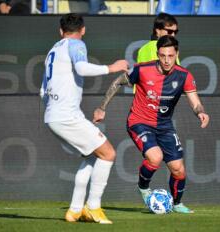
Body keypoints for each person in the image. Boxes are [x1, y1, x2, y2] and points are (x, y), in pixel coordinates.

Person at [93, 35, 210, 214]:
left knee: (178, 169)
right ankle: (144, 187)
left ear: (177, 54)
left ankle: (177, 204)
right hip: (139, 122)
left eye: (170, 56)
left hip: (164, 126)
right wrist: (102, 107)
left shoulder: (184, 75)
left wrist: (200, 112)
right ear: (157, 54)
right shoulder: (142, 69)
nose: (166, 60)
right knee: (155, 158)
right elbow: (118, 82)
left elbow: (195, 101)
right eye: (162, 55)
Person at [40, 13, 128, 224]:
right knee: (108, 154)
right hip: (66, 116)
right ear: (83, 30)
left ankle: (75, 210)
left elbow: (43, 91)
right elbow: (81, 68)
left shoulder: (53, 50)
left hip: (53, 116)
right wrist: (112, 68)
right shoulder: (76, 43)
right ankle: (94, 208)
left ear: (60, 31)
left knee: (92, 156)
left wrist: (55, 110)